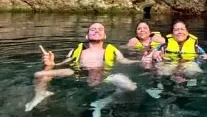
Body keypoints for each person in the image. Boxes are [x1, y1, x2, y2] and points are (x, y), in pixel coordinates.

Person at [25, 22, 154, 112]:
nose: (96, 31)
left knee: (130, 87)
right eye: (93, 29)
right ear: (87, 36)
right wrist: (51, 64)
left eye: (100, 30)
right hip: (77, 73)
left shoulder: (111, 49)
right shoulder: (77, 50)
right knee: (39, 75)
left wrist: (140, 61)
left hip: (105, 75)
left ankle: (105, 100)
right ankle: (41, 94)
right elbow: (62, 64)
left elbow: (124, 61)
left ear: (104, 36)